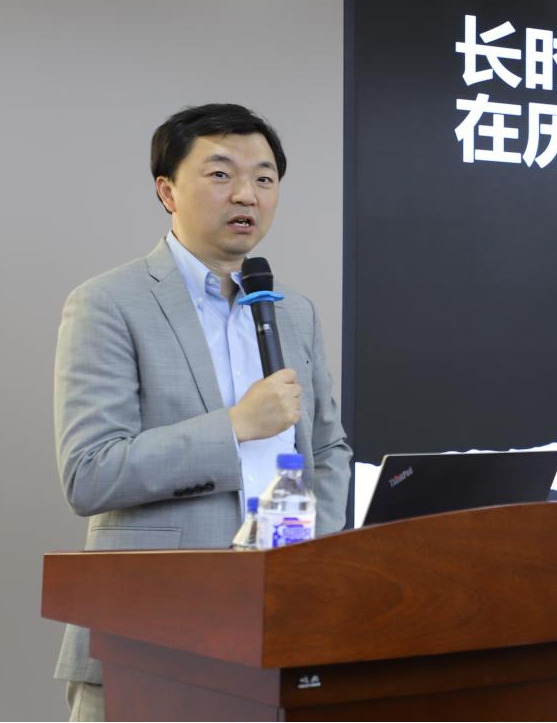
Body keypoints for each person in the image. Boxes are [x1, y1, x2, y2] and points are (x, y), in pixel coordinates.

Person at [53, 103, 351, 722]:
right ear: (167, 191)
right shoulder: (109, 302)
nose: (247, 193)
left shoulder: (294, 312)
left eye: (264, 178)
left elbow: (327, 449)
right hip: (151, 635)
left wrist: (312, 552)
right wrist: (237, 426)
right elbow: (91, 472)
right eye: (221, 174)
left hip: (281, 622)